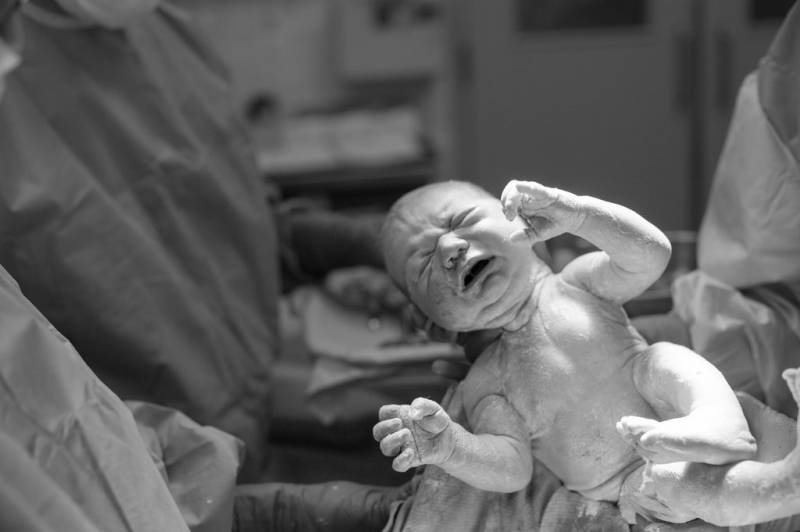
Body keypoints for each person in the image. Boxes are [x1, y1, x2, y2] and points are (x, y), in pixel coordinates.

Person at [372, 178, 774, 527]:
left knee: (664, 359)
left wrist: (580, 215)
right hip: (631, 488)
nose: (450, 248)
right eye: (423, 263)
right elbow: (512, 468)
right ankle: (761, 492)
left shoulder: (577, 285)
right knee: (682, 493)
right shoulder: (486, 381)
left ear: (515, 216)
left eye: (461, 220)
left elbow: (650, 256)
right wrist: (451, 447)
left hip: (678, 413)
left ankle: (721, 423)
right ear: (427, 319)